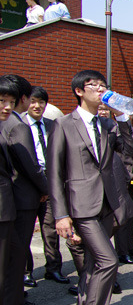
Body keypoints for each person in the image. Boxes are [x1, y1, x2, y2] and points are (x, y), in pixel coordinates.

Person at [47, 70, 133, 305]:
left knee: (92, 267)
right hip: (81, 207)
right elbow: (54, 173)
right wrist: (61, 215)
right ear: (79, 91)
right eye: (93, 85)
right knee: (108, 262)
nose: (100, 90)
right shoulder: (63, 124)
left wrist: (123, 118)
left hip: (107, 204)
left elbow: (128, 153)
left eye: (103, 85)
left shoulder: (107, 124)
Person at [0, 75, 48, 305]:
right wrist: (46, 189)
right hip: (21, 198)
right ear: (25, 98)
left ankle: (17, 302)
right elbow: (30, 165)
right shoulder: (16, 124)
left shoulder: (7, 122)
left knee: (14, 256)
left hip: (12, 197)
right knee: (16, 257)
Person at [23, 86, 69, 284]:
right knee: (25, 231)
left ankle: (53, 268)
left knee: (50, 230)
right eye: (33, 101)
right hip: (28, 184)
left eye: (41, 102)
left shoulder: (53, 125)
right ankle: (26, 271)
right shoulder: (19, 125)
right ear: (26, 102)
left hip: (50, 183)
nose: (37, 106)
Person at [96, 104, 133, 265]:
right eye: (100, 109)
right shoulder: (106, 131)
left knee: (132, 214)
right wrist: (130, 175)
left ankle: (129, 247)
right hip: (116, 180)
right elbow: (117, 159)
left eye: (105, 109)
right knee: (121, 216)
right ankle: (122, 252)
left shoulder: (118, 128)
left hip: (128, 178)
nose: (103, 112)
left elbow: (132, 152)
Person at [0, 78, 29, 305]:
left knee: (14, 257)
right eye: (2, 101)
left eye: (11, 102)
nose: (7, 107)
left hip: (6, 206)